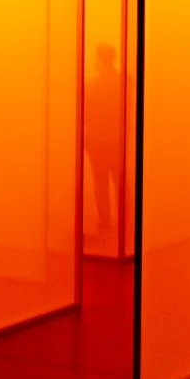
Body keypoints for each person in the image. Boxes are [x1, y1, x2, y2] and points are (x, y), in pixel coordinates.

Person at [85, 42, 126, 250]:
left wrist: (86, 141)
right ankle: (126, 223)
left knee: (100, 184)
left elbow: (86, 116)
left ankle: (105, 223)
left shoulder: (91, 85)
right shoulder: (125, 82)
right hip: (117, 142)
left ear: (101, 59)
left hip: (97, 143)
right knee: (120, 183)